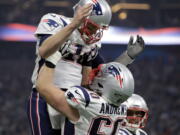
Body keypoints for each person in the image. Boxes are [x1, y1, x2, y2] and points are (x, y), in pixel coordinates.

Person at [26, 0, 145, 134]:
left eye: (100, 28)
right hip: (45, 95)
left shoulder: (91, 43)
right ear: (80, 15)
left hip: (75, 101)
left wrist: (127, 56)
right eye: (93, 26)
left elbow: (105, 75)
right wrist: (73, 25)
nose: (95, 33)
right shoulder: (55, 21)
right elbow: (44, 51)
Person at [36, 49, 135, 134]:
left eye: (99, 75)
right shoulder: (123, 109)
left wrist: (51, 59)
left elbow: (43, 87)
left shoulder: (86, 104)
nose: (95, 75)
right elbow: (113, 83)